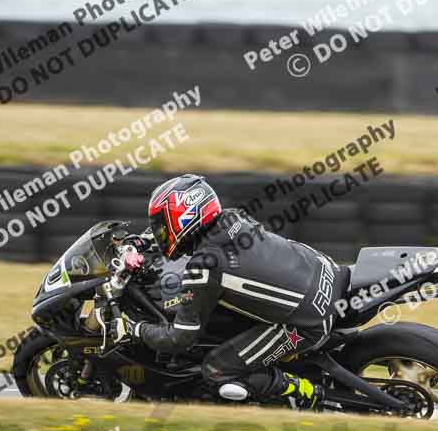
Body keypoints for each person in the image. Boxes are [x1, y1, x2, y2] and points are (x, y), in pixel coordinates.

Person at [110, 174, 349, 409]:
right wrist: (143, 242)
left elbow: (180, 338)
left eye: (162, 225)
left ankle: (307, 392)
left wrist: (134, 329)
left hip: (308, 322)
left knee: (217, 370)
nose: (160, 232)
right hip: (325, 271)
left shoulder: (204, 267)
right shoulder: (232, 218)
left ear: (183, 218)